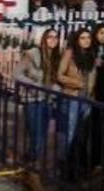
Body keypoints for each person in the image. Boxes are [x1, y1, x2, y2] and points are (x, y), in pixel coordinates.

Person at [14, 28, 61, 162]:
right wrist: (34, 84)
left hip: (48, 100)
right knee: (36, 133)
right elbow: (17, 74)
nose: (53, 40)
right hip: (33, 99)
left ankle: (32, 160)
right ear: (44, 39)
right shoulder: (32, 54)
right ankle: (32, 162)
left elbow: (56, 79)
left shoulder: (56, 58)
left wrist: (56, 87)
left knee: (42, 134)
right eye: (50, 37)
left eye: (56, 37)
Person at [57, 28, 97, 156]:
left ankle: (77, 160)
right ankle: (67, 160)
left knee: (82, 132)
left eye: (88, 38)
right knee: (71, 130)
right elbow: (60, 75)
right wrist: (77, 83)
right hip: (73, 97)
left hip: (87, 98)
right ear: (77, 40)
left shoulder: (91, 55)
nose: (86, 41)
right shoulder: (70, 53)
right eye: (82, 38)